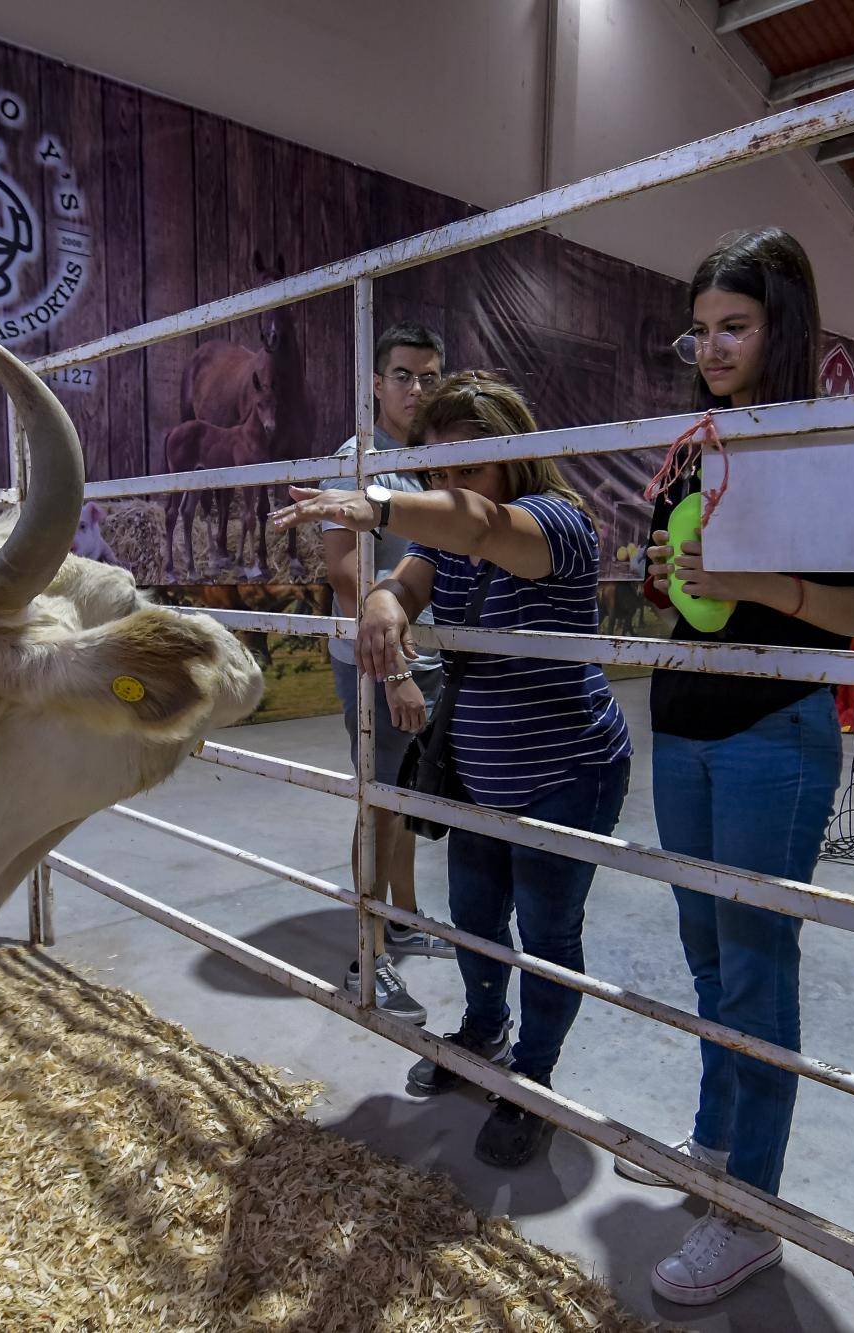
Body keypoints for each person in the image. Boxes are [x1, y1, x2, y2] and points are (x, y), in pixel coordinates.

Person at [621, 228, 854, 1307]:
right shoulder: (695, 446)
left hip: (770, 731)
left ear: (780, 329)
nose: (710, 346)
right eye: (697, 329)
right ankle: (714, 1147)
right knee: (706, 952)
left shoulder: (827, 447)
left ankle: (753, 1213)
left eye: (731, 325)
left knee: (754, 966)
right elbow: (691, 589)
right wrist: (663, 573)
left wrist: (768, 583)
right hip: (685, 719)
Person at [271, 371, 631, 1169]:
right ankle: (480, 1030)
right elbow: (410, 576)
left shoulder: (557, 522)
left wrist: (383, 507)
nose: (451, 485)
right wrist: (383, 603)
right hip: (478, 765)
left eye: (470, 467)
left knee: (545, 932)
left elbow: (476, 528)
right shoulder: (446, 531)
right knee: (473, 914)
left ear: (517, 457)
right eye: (438, 470)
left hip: (565, 769)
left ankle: (532, 1077)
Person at [320, 323, 454, 1025]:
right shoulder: (360, 461)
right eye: (402, 375)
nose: (416, 390)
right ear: (375, 383)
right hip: (379, 663)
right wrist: (395, 666)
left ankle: (401, 917)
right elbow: (347, 573)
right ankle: (366, 957)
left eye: (429, 377)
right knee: (378, 801)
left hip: (423, 660)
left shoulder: (429, 459)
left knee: (404, 792)